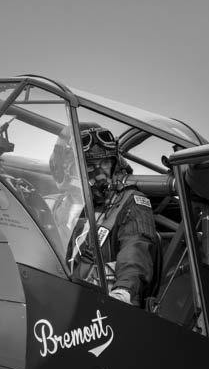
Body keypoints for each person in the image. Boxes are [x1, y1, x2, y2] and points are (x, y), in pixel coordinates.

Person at [66, 123, 158, 306]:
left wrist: (123, 292)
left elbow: (135, 250)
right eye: (91, 165)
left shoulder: (131, 202)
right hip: (71, 299)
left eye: (105, 163)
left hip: (107, 311)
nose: (99, 172)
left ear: (115, 164)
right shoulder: (80, 207)